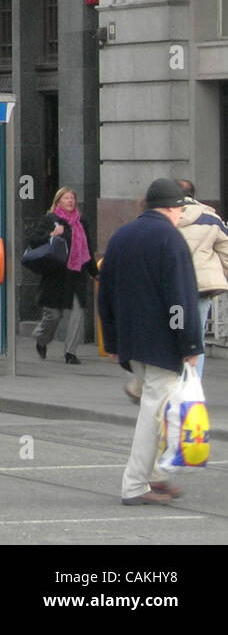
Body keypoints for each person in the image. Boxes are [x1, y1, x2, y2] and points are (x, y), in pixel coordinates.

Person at [98, 178, 203, 506]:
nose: (181, 215)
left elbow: (106, 293)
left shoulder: (121, 236)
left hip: (133, 341)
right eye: (180, 209)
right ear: (173, 207)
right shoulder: (170, 239)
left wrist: (113, 340)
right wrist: (188, 343)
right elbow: (179, 299)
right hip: (162, 343)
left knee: (155, 408)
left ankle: (155, 476)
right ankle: (135, 484)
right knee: (154, 412)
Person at [28, 187, 98, 365]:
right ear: (58, 201)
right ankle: (41, 338)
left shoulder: (81, 222)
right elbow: (34, 241)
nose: (70, 201)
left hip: (76, 275)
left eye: (72, 198)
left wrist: (95, 273)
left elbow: (87, 249)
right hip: (56, 275)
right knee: (54, 315)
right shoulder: (50, 220)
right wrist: (52, 234)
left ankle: (70, 352)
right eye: (66, 198)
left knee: (77, 313)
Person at [174, 179, 228, 378]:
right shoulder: (210, 217)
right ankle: (193, 385)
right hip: (202, 288)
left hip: (175, 290)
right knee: (197, 335)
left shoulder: (165, 217)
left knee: (176, 330)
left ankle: (175, 380)